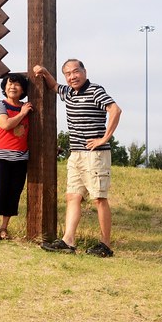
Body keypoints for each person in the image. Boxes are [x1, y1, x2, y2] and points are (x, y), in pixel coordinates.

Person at [32, 59, 121, 257]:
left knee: (99, 198)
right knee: (73, 196)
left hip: (95, 155)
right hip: (76, 154)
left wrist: (104, 138)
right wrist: (45, 73)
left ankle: (105, 245)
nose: (73, 76)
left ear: (84, 71)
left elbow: (115, 110)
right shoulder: (69, 92)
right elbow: (54, 86)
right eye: (68, 74)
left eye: (76, 71)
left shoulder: (96, 90)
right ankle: (68, 241)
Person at [0, 72, 34, 240]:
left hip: (21, 157)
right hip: (0, 155)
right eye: (9, 84)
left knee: (14, 192)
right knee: (0, 189)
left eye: (17, 84)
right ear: (4, 88)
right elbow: (5, 124)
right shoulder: (0, 105)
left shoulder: (28, 107)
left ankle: (5, 228)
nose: (12, 87)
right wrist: (21, 114)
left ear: (23, 89)